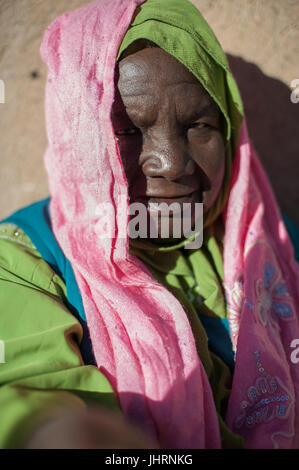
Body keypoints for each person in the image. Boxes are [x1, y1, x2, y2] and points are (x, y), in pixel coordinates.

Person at [0, 0, 299, 449]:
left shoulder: (275, 246)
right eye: (127, 130)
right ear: (79, 135)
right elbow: (33, 398)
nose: (172, 164)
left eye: (200, 124)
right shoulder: (22, 262)